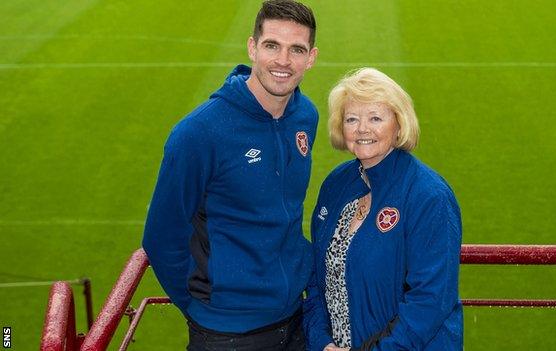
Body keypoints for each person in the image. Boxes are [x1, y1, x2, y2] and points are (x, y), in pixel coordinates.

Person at [142, 1, 319, 350]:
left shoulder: (305, 116)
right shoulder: (198, 132)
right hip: (226, 334)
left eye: (296, 49)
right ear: (253, 47)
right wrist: (203, 308)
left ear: (310, 57)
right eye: (272, 46)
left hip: (295, 319)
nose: (283, 61)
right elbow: (161, 236)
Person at [303, 68, 463, 351]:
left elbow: (430, 301)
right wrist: (321, 342)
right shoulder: (336, 185)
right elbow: (317, 280)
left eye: (375, 118)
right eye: (352, 119)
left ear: (399, 125)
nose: (363, 128)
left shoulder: (429, 195)